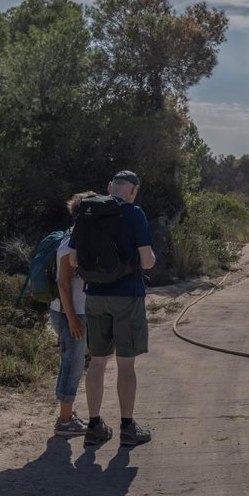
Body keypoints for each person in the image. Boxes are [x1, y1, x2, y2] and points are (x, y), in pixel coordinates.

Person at [70, 170, 157, 448]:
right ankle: (128, 428)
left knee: (97, 362)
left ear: (110, 187)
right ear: (134, 190)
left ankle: (94, 426)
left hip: (94, 296)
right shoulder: (135, 214)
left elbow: (73, 260)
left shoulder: (87, 212)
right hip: (127, 297)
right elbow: (147, 262)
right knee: (126, 364)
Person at [50, 190, 97, 437]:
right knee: (72, 364)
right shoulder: (69, 243)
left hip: (74, 312)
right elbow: (63, 283)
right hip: (70, 313)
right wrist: (73, 319)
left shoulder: (78, 238)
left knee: (73, 362)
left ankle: (67, 415)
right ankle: (65, 421)